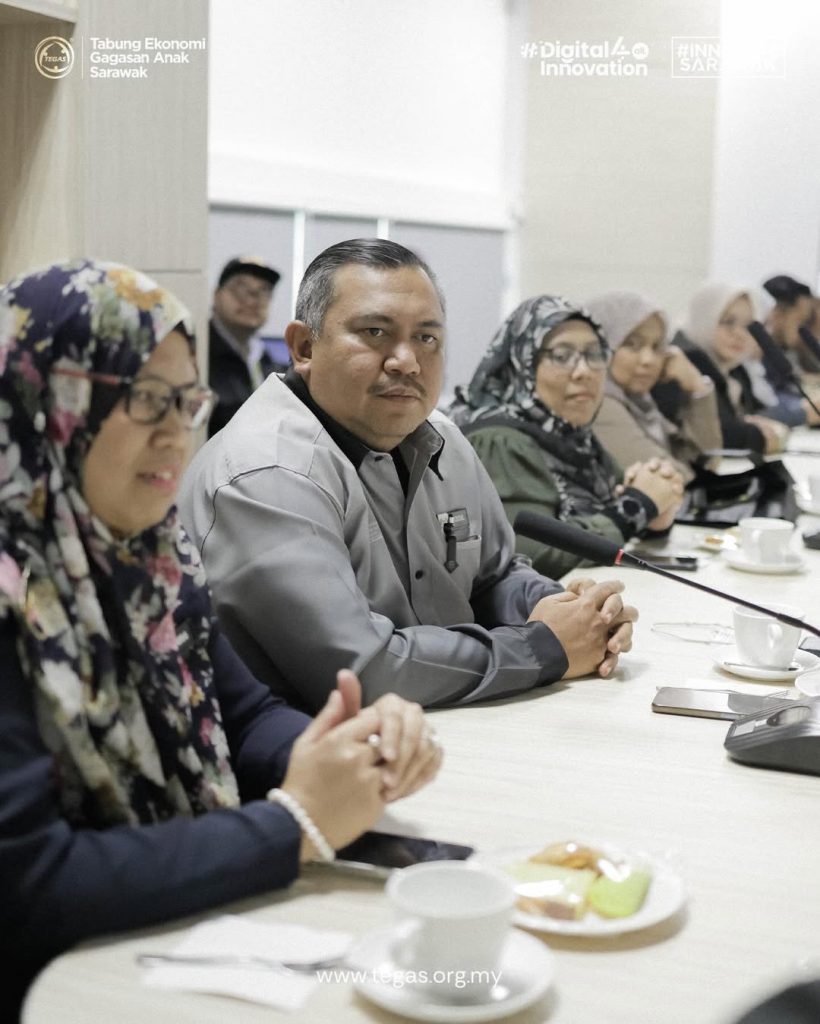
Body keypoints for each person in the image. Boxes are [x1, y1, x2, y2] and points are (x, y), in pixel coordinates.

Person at [0, 260, 441, 1021]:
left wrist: (352, 747)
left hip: (154, 940)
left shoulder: (154, 562)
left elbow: (246, 716)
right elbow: (30, 881)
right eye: (145, 398)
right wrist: (292, 825)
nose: (177, 431)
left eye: (187, 401)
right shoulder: (12, 594)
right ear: (51, 406)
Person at [180, 239, 638, 713]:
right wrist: (544, 647)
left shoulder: (442, 437)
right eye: (375, 332)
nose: (407, 361)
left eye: (426, 338)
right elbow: (363, 672)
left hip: (435, 725)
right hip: (311, 746)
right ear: (304, 346)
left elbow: (493, 576)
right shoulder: (268, 473)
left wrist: (568, 611)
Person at [447, 295, 684, 579]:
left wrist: (655, 517)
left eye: (594, 354)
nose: (584, 371)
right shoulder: (500, 439)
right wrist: (636, 506)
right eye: (561, 356)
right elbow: (529, 554)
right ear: (523, 363)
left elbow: (620, 521)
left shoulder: (572, 437)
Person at [586, 291, 721, 484]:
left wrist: (697, 387)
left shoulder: (641, 403)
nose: (648, 360)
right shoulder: (598, 403)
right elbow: (672, 480)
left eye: (657, 346)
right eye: (631, 344)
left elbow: (708, 462)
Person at [653, 283, 788, 455]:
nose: (739, 334)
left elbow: (754, 414)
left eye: (747, 325)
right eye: (728, 322)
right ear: (705, 318)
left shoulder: (733, 368)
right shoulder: (685, 361)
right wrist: (762, 436)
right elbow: (721, 435)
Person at [208, 256, 286, 436]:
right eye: (241, 289)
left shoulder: (268, 363)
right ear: (216, 295)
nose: (252, 301)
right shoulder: (199, 355)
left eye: (263, 291)